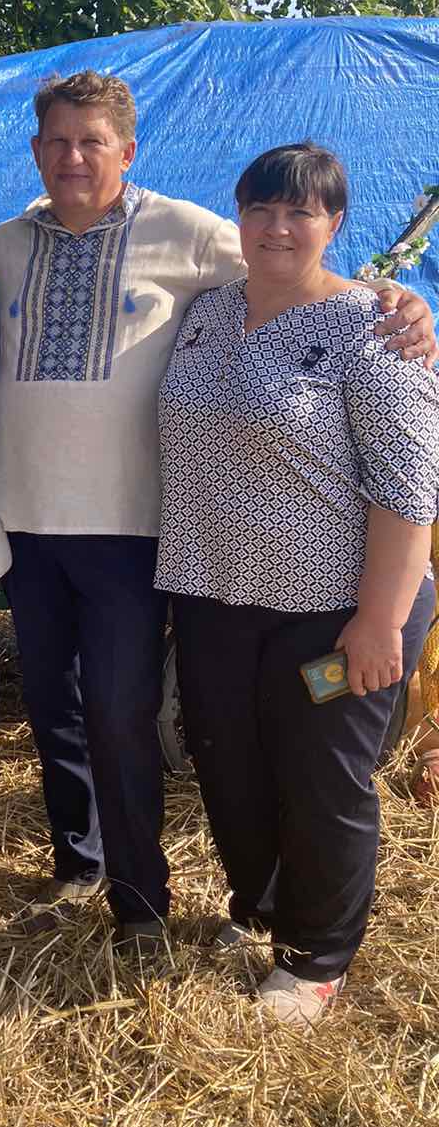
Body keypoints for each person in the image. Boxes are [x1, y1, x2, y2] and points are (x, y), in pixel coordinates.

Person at [0, 71, 437, 956]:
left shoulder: (192, 236)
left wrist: (401, 302)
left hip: (191, 550)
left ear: (127, 151)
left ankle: (212, 923)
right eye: (57, 141)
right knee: (139, 729)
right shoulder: (9, 251)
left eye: (92, 141)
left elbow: (310, 285)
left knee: (165, 723)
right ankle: (122, 876)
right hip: (107, 548)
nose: (73, 157)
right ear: (35, 151)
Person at [156, 143, 439, 1024]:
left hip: (335, 607)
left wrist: (380, 621)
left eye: (300, 212)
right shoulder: (205, 313)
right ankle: (259, 906)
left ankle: (318, 955)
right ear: (238, 216)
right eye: (262, 209)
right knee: (227, 763)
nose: (278, 228)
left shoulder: (375, 331)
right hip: (213, 590)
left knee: (323, 780)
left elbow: (408, 489)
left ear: (334, 224)